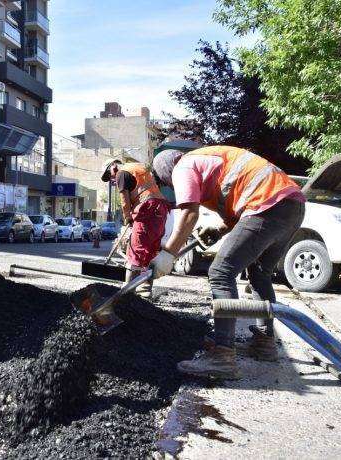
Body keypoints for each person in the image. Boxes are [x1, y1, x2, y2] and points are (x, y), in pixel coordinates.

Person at [150, 146, 306, 379]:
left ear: (166, 173)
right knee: (259, 273)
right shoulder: (207, 163)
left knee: (221, 272)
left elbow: (189, 213)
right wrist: (218, 230)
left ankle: (223, 355)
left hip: (268, 204)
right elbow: (235, 214)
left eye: (169, 184)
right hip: (291, 205)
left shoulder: (183, 166)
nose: (173, 188)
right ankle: (264, 344)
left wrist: (169, 253)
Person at [101, 159, 171, 296]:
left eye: (109, 176)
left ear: (113, 166)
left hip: (147, 208)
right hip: (160, 208)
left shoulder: (121, 173)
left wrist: (127, 217)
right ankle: (145, 287)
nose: (112, 179)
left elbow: (124, 200)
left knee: (136, 249)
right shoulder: (138, 167)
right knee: (150, 249)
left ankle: (128, 291)